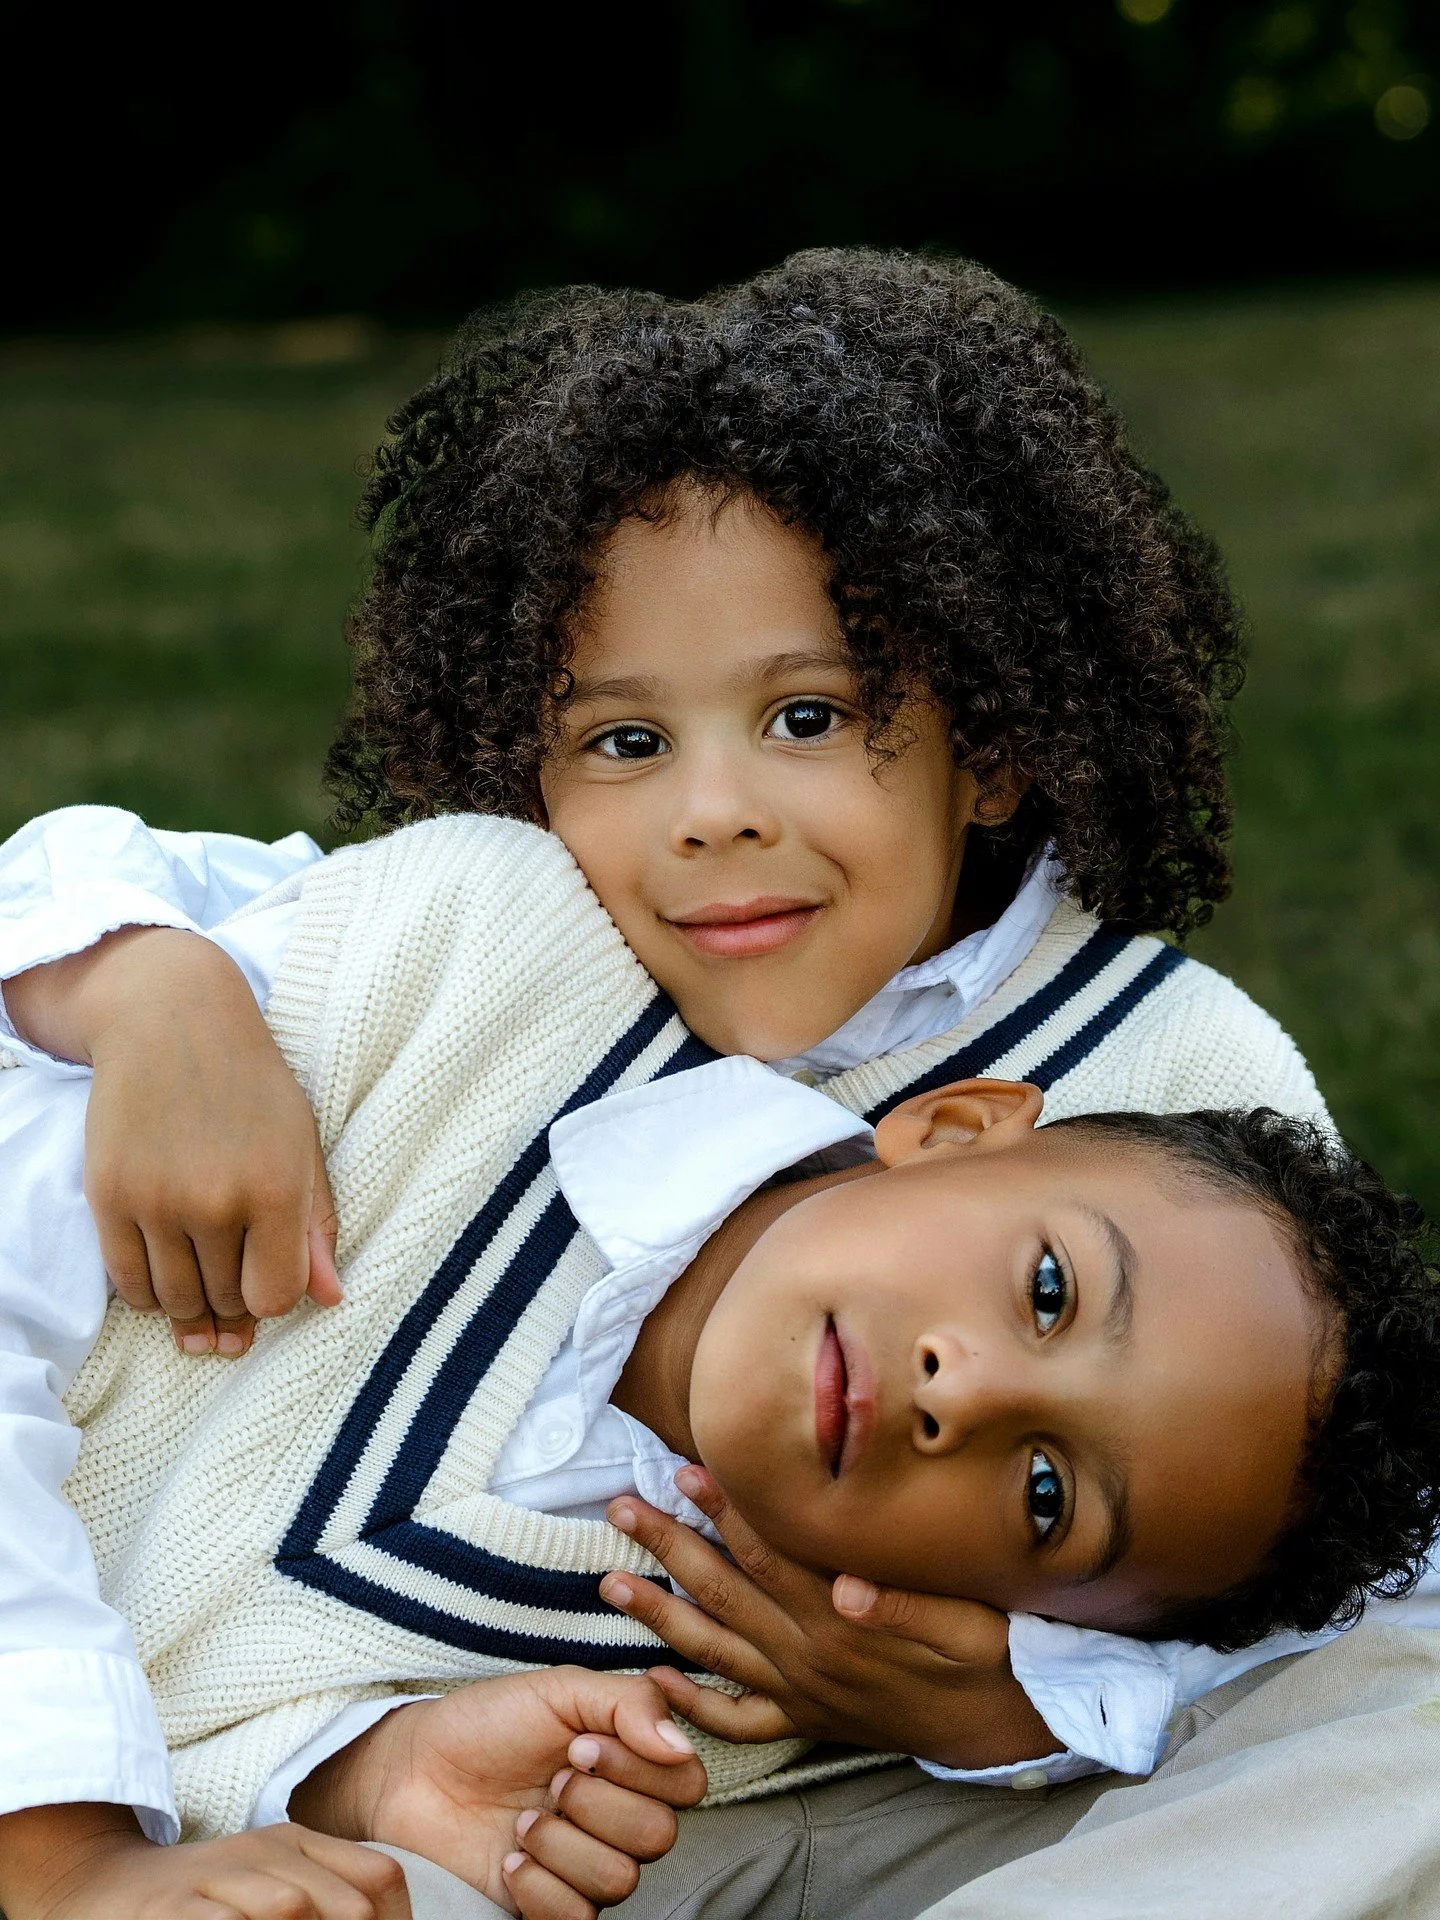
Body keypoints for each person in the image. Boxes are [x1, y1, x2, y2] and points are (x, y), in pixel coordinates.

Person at [0, 246, 1382, 1912]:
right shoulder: (500, 946)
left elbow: (1323, 1532)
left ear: (997, 734)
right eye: (627, 744)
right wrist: (154, 992)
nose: (712, 812)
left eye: (809, 715)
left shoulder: (1176, 1083)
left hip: (935, 1806)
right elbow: (143, 889)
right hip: (473, 1820)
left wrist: (1017, 1703)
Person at [4, 811, 1439, 1920]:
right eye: (1050, 1291)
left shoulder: (709, 1679)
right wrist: (61, 1857)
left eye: (1050, 1494)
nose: (970, 1393)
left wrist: (359, 1770)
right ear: (952, 1128)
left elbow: (215, 1667)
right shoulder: (492, 979)